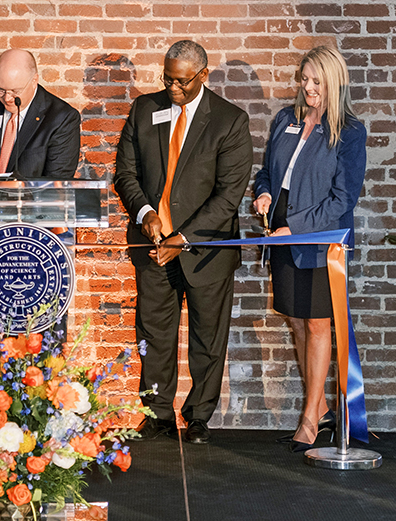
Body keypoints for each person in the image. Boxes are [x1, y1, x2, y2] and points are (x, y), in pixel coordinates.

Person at [114, 40, 253, 444]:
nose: (172, 88)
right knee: (154, 333)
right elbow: (126, 173)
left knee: (207, 338)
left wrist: (184, 236)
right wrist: (146, 215)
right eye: (167, 79)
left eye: (181, 82)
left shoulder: (230, 120)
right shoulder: (145, 109)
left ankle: (198, 417)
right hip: (154, 245)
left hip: (206, 250)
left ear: (202, 76)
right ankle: (156, 413)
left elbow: (229, 195)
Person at [253, 46, 367, 452]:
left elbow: (343, 200)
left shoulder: (350, 132)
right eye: (304, 80)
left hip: (318, 240)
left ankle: (308, 420)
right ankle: (318, 408)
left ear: (335, 82)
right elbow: (267, 172)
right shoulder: (287, 118)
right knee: (297, 321)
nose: (307, 87)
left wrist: (294, 228)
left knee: (319, 325)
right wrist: (264, 194)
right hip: (283, 235)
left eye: (316, 82)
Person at [0, 48, 80, 179]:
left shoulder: (61, 119)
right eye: (0, 90)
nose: (7, 98)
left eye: (15, 91)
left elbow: (56, 182)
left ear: (34, 81)